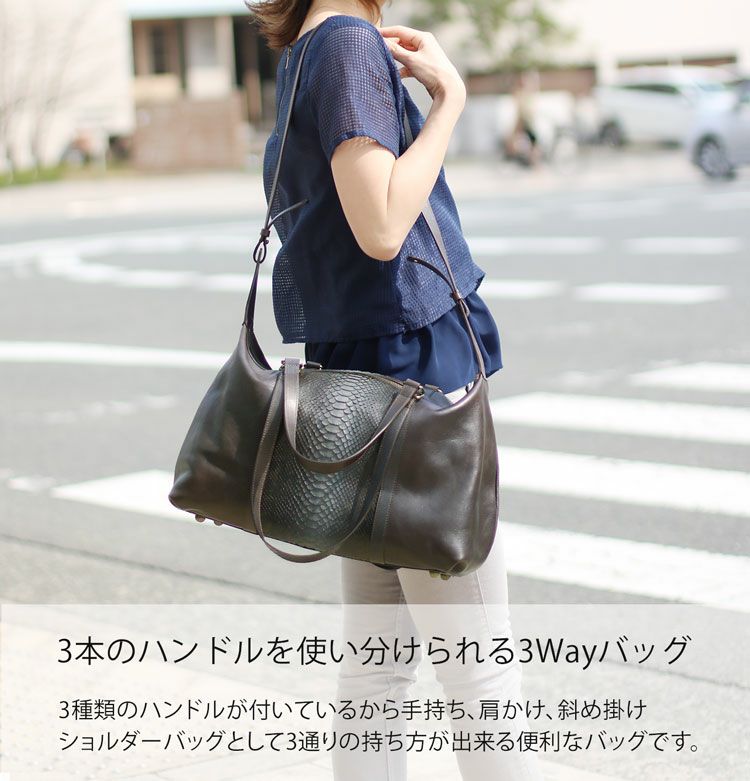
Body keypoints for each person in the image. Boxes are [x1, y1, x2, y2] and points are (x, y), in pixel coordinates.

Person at [250, 1, 545, 778]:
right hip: (413, 383)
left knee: (376, 676)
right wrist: (449, 104)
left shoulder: (307, 51)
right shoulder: (349, 46)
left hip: (355, 382)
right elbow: (381, 226)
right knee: (479, 675)